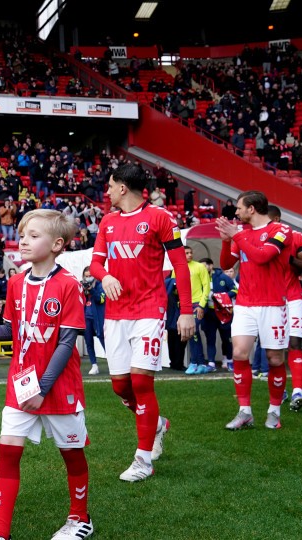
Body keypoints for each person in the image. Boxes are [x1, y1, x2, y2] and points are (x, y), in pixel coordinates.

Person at [0, 210, 92, 540]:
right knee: (8, 451)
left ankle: (80, 518)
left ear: (57, 244)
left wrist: (43, 387)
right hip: (21, 381)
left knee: (72, 454)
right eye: (23, 234)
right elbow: (12, 330)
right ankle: (0, 532)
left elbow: (66, 341)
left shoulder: (69, 286)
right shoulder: (15, 282)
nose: (24, 241)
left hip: (58, 386)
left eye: (33, 235)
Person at [90, 163, 194, 482]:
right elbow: (95, 263)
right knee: (120, 385)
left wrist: (187, 310)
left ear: (123, 187)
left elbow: (180, 265)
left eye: (110, 186)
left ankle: (143, 459)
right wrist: (105, 275)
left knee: (140, 382)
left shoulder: (161, 218)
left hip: (150, 309)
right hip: (116, 313)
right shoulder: (107, 222)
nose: (106, 192)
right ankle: (157, 423)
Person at [216, 191, 294, 430]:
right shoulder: (243, 234)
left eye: (239, 208)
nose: (236, 212)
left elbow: (262, 257)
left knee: (274, 358)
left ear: (252, 209)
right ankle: (245, 412)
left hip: (273, 304)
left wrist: (236, 235)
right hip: (245, 304)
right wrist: (227, 240)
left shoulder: (280, 231)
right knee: (239, 353)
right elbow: (226, 265)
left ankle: (274, 411)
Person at [267, 205, 302, 411]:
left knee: (295, 342)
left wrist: (288, 259)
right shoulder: (256, 237)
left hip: (293, 297)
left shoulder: (297, 237)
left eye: (268, 221)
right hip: (268, 299)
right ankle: (281, 390)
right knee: (274, 349)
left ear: (277, 218)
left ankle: (298, 392)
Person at [181, 246, 212, 374]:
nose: (189, 255)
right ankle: (200, 363)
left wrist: (201, 305)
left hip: (197, 304)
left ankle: (194, 362)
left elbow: (206, 286)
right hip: (184, 305)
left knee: (193, 331)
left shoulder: (199, 267)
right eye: (186, 253)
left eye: (190, 252)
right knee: (192, 334)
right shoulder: (178, 268)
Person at [201, 258, 236, 371]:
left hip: (223, 313)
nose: (201, 268)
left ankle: (230, 361)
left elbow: (235, 290)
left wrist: (221, 297)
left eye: (204, 266)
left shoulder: (222, 277)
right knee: (210, 339)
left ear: (211, 266)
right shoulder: (200, 277)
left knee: (226, 338)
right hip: (208, 314)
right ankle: (211, 363)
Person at [81, 266, 105, 375]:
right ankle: (94, 365)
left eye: (90, 276)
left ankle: (113, 360)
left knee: (103, 339)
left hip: (98, 318)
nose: (88, 278)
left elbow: (101, 299)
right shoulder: (81, 287)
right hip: (86, 318)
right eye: (86, 276)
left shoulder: (100, 285)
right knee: (88, 341)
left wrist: (92, 290)